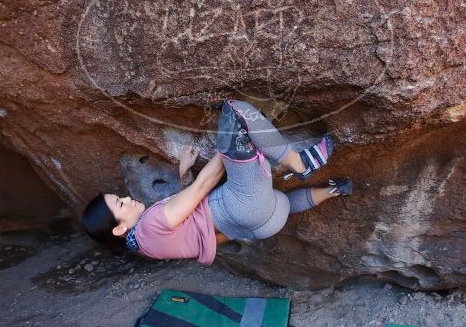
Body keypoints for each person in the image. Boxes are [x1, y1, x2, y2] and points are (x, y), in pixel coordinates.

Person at [81, 99, 353, 264]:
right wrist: (228, 148)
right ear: (118, 229)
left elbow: (197, 229)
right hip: (240, 204)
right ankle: (301, 163)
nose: (127, 198)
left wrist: (184, 173)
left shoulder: (145, 248)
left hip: (261, 226)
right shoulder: (149, 227)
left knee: (281, 204)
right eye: (120, 203)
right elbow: (205, 185)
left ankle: (335, 190)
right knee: (236, 113)